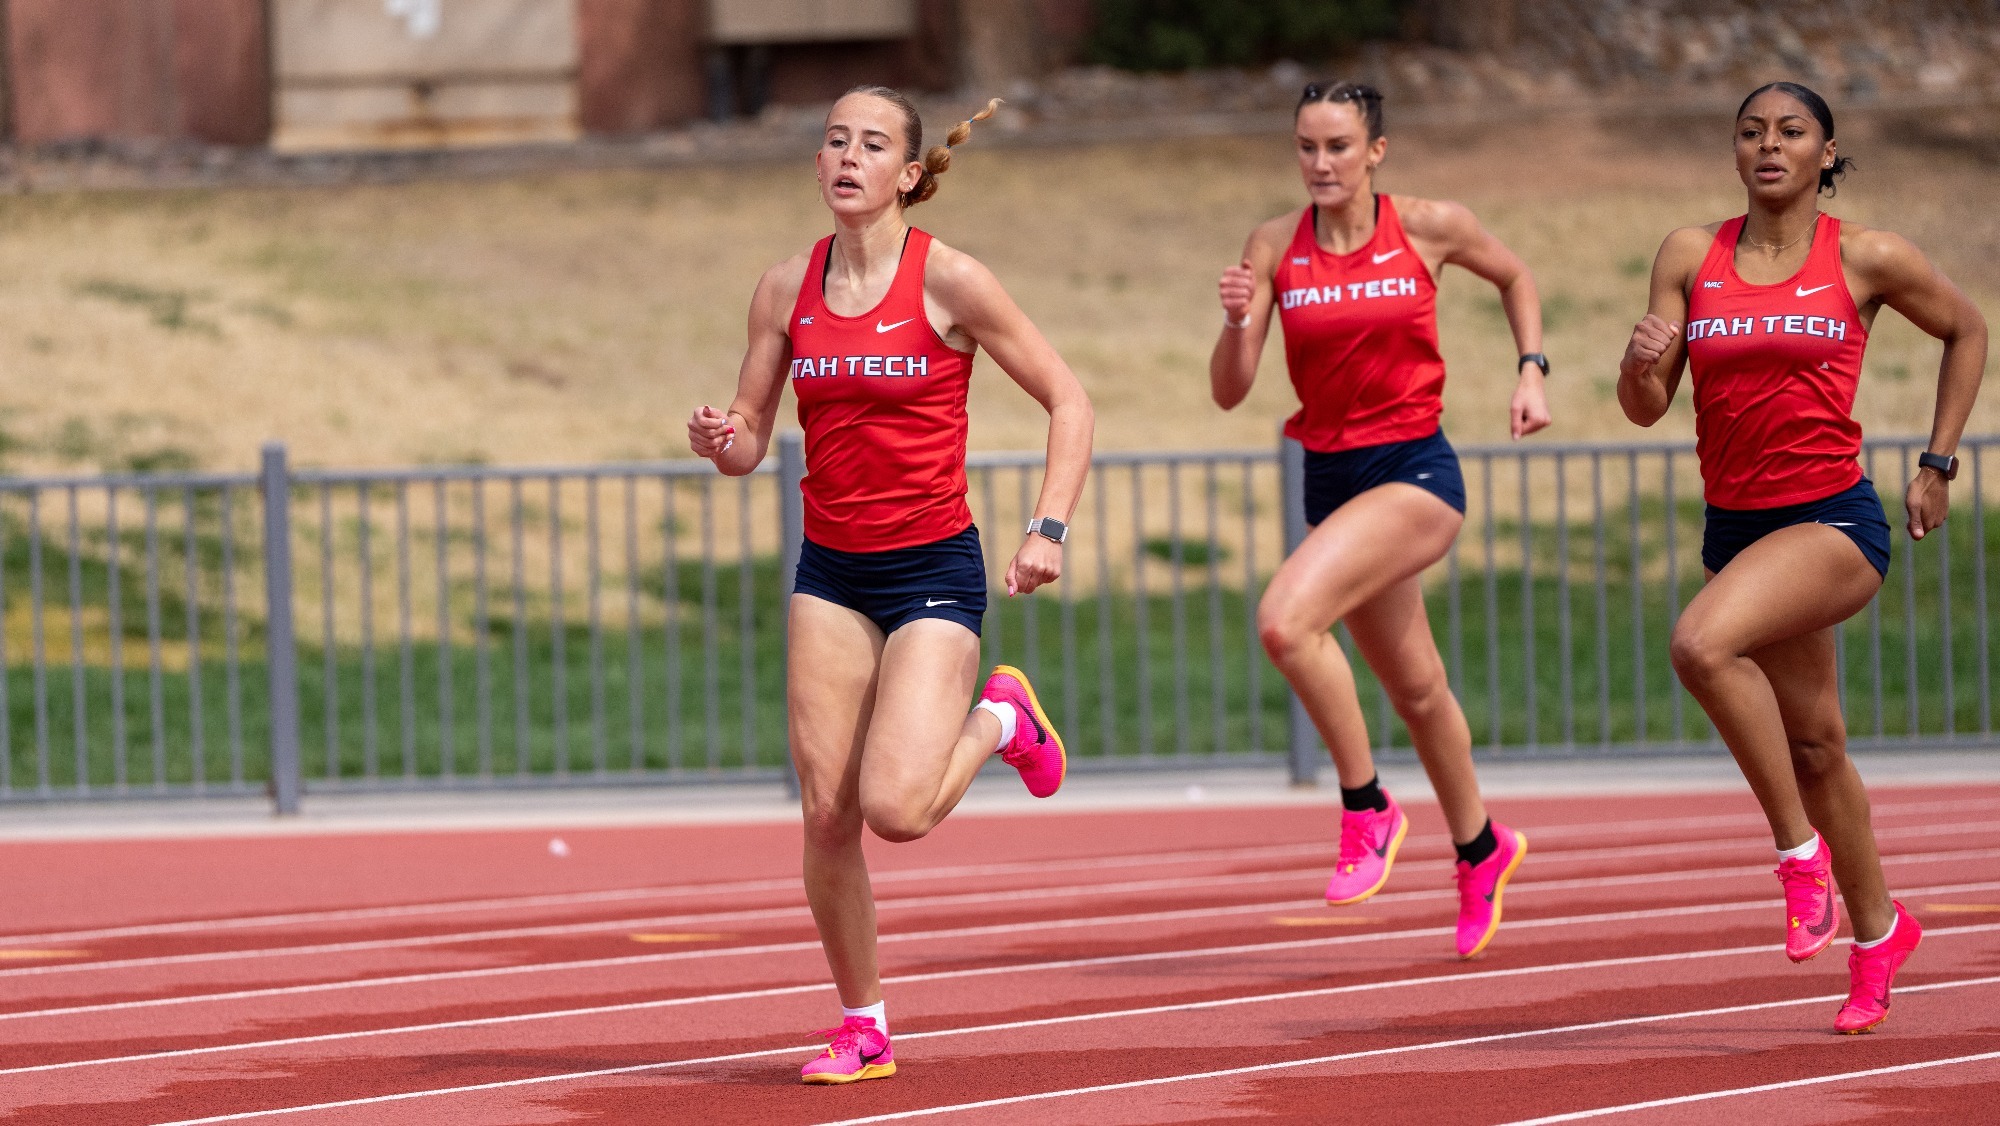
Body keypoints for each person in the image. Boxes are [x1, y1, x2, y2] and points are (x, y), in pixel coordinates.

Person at [688, 87, 1094, 1082]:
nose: (847, 156)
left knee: (896, 809)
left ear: (908, 173)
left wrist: (1047, 527)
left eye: (872, 144)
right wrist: (721, 438)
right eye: (834, 138)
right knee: (826, 815)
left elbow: (1067, 398)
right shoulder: (785, 288)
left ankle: (1003, 717)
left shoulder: (950, 280)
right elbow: (746, 437)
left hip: (930, 572)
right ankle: (862, 1024)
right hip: (830, 574)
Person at [1618, 81, 1985, 1033]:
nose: (1768, 146)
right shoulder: (1690, 254)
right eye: (1751, 133)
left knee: (1701, 646)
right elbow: (1648, 407)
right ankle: (1879, 935)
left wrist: (1938, 462)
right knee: (1818, 748)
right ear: (1734, 153)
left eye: (1791, 132)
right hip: (1736, 526)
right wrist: (1637, 361)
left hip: (1832, 522)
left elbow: (1966, 328)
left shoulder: (1866, 255)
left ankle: (1798, 858)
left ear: (1827, 152)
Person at [1210, 82, 1551, 959]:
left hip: (1415, 471)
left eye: (1338, 147)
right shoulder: (1274, 244)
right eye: (1306, 148)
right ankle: (1482, 849)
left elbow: (1514, 273)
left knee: (1286, 623)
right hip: (1330, 478)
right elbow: (1229, 389)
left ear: (1376, 151)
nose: (1321, 164)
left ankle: (1366, 805)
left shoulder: (1431, 225)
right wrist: (1238, 319)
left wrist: (1531, 370)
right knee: (1419, 689)